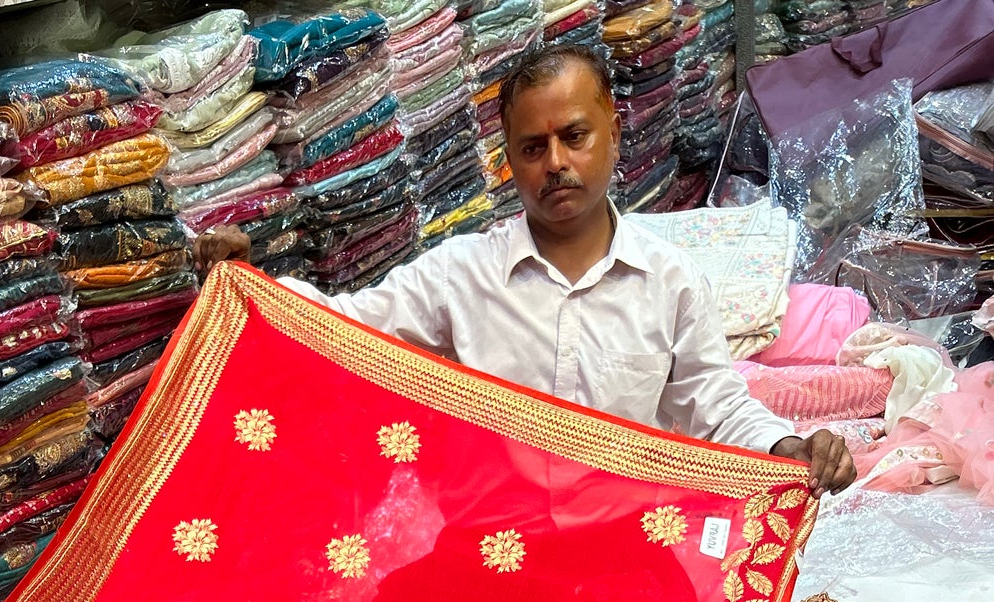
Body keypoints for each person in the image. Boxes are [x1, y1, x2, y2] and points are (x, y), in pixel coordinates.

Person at [194, 44, 856, 494]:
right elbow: (341, 329)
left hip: (624, 529)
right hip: (487, 532)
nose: (555, 163)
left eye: (575, 136)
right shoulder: (460, 274)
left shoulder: (668, 277)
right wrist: (249, 287)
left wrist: (783, 447)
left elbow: (711, 403)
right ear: (507, 160)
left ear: (614, 135)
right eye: (531, 147)